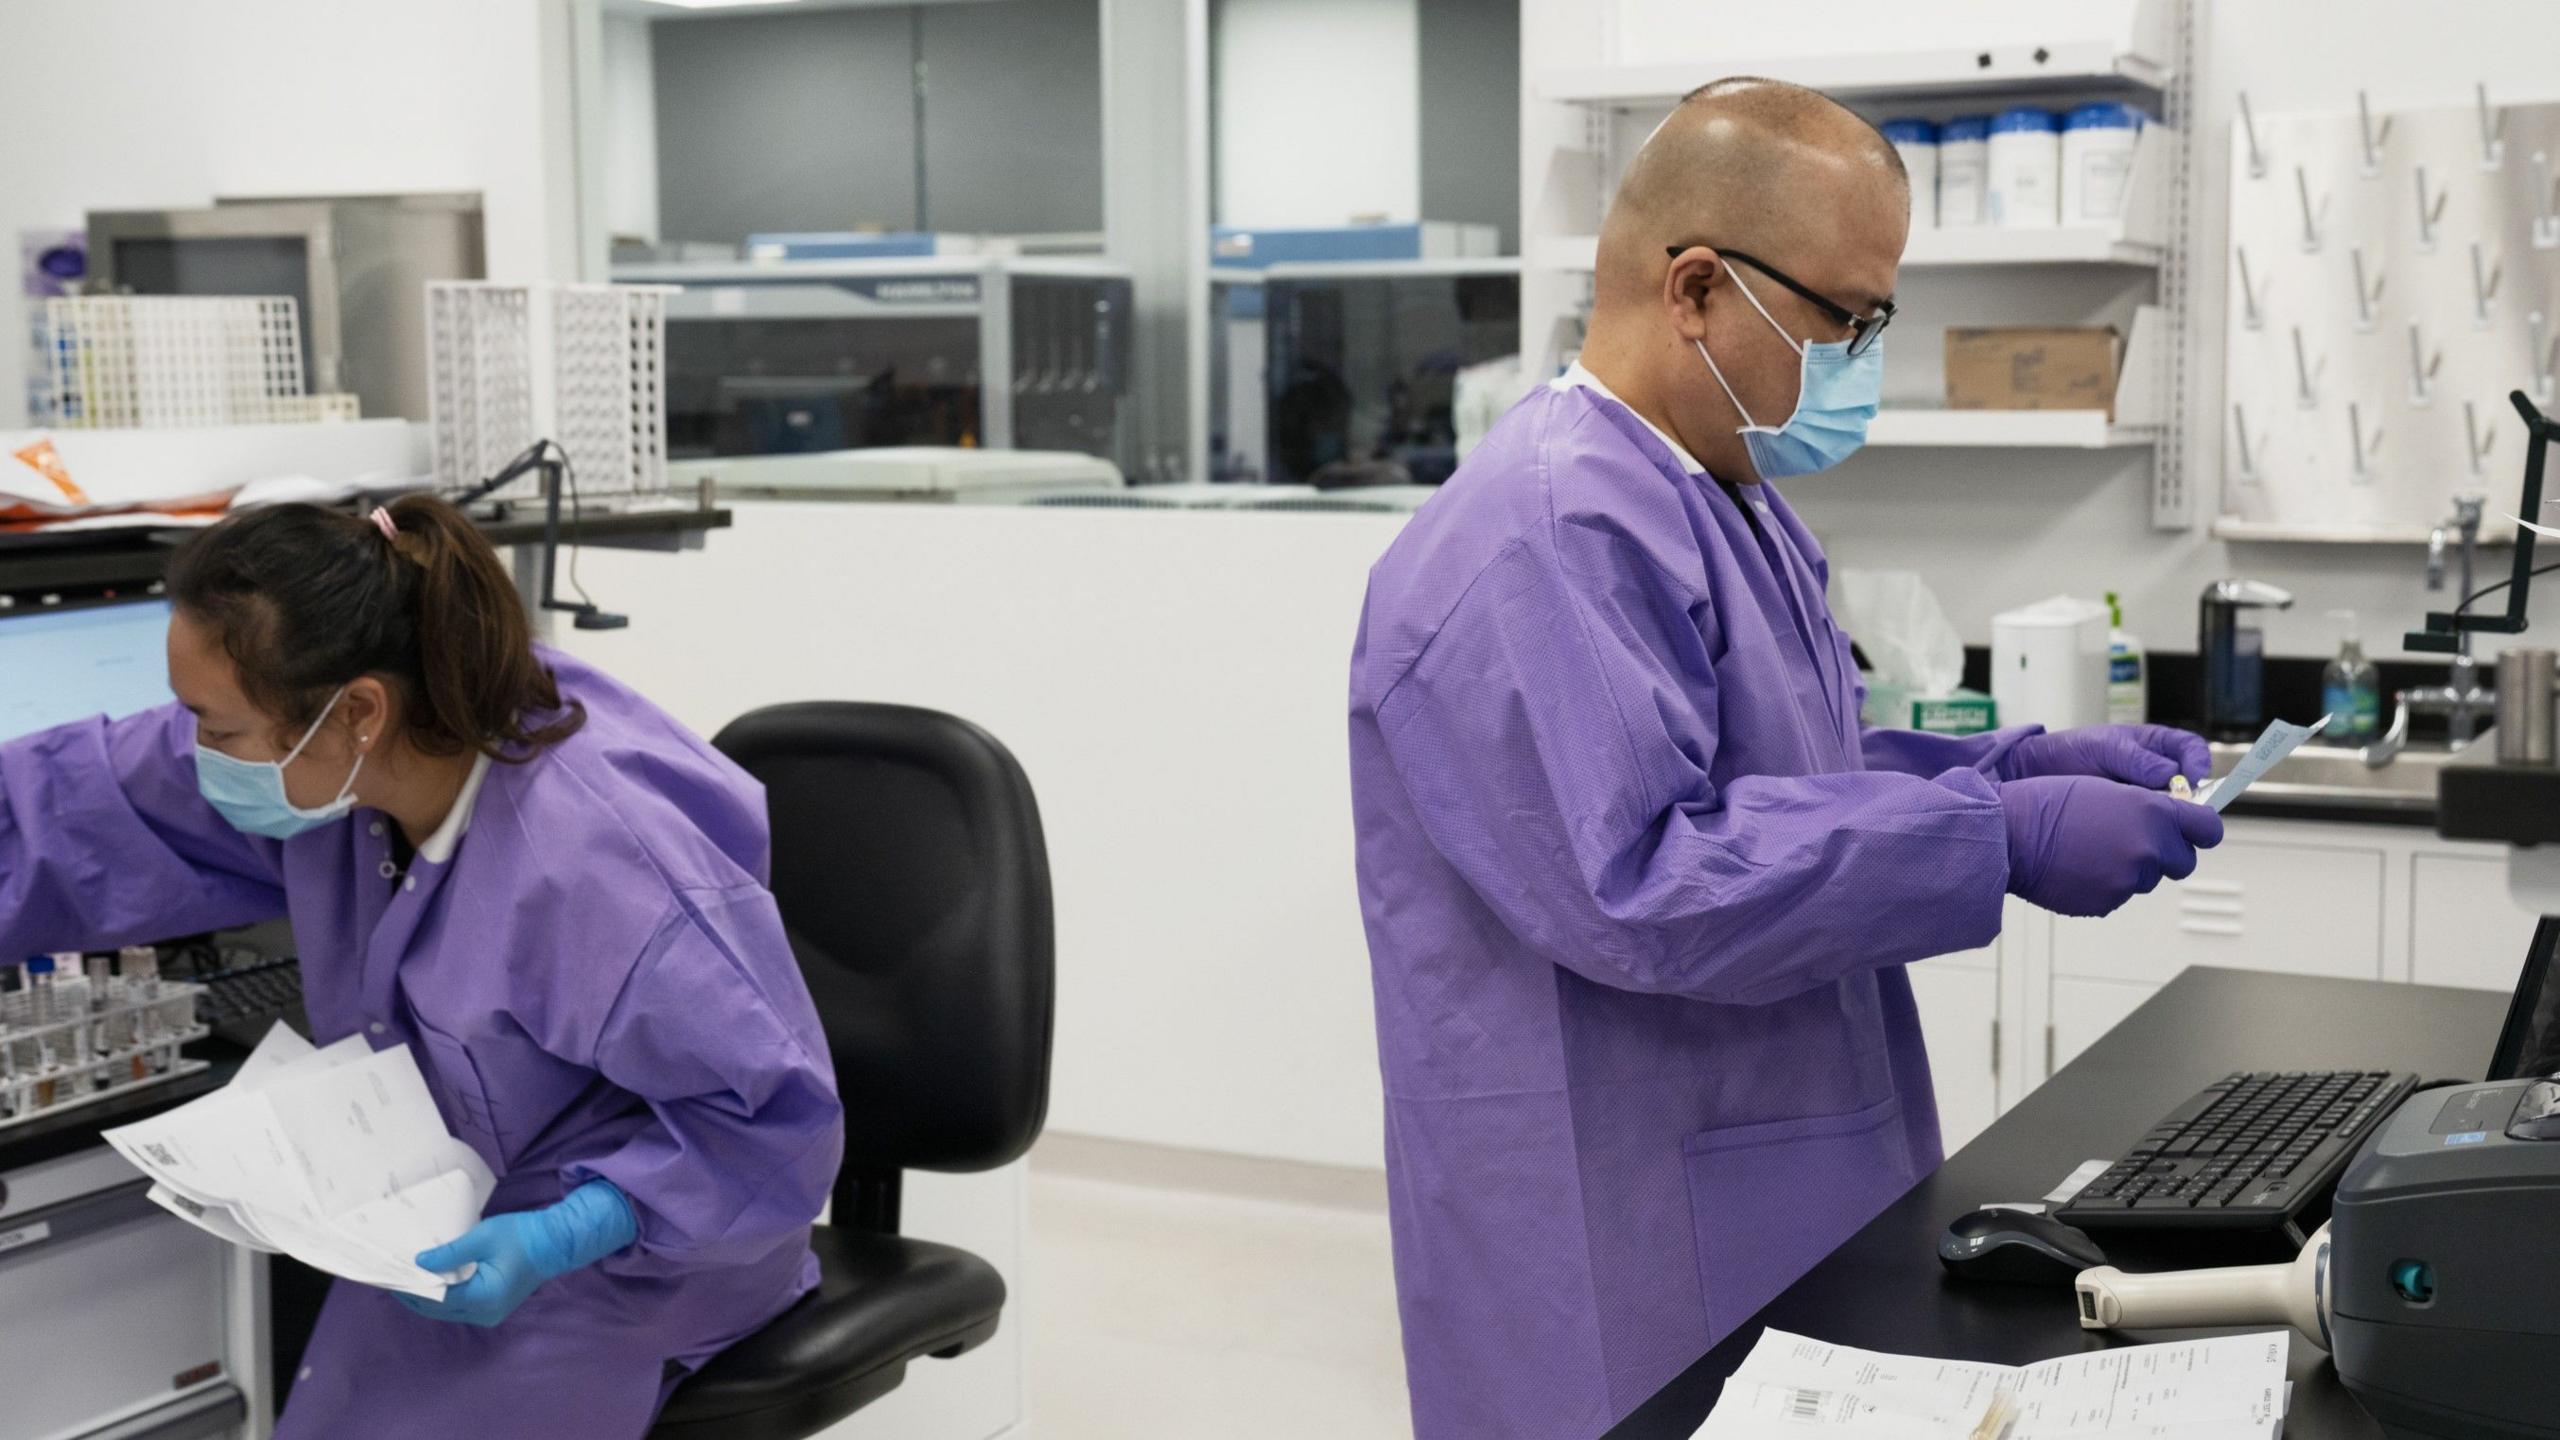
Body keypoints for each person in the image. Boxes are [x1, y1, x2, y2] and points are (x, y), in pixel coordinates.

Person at [1347, 77, 2223, 1438]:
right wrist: (1995, 843)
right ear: (1694, 286)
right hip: (1621, 1210)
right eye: (1846, 320)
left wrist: (2011, 766)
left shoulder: (1717, 491)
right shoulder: (1543, 533)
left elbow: (1788, 770)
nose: (1859, 358)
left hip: (1769, 1156)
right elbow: (1650, 877)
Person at [0, 495, 843, 1438]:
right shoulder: (360, 750)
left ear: (356, 711)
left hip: (647, 1248)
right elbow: (86, 801)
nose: (198, 752)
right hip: (460, 1195)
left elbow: (771, 1128)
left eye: (217, 728)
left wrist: (567, 1232)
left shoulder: (598, 866)